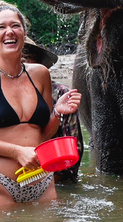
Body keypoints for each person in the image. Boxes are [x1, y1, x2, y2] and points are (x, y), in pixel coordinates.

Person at [0, 0, 81, 209]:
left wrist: (58, 113)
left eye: (15, 26)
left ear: (24, 33)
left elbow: (41, 135)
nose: (9, 32)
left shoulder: (41, 74)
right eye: (1, 27)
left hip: (42, 181)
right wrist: (17, 152)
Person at [21, 35, 84, 183]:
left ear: (38, 62)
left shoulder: (62, 94)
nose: (21, 64)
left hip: (55, 177)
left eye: (25, 58)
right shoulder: (2, 95)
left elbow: (74, 152)